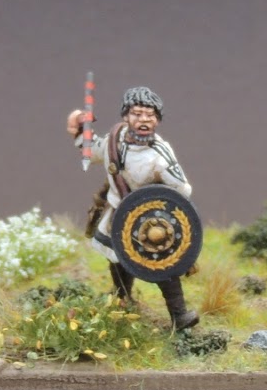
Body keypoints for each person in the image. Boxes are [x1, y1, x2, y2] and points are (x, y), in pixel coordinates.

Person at [65, 86, 199, 331]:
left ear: (157, 119)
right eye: (137, 114)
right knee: (116, 256)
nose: (143, 120)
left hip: (151, 222)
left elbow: (181, 190)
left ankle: (179, 315)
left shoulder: (160, 154)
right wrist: (80, 130)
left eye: (150, 115)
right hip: (118, 215)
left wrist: (154, 204)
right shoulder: (114, 140)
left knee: (162, 265)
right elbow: (94, 152)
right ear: (126, 116)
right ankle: (122, 299)